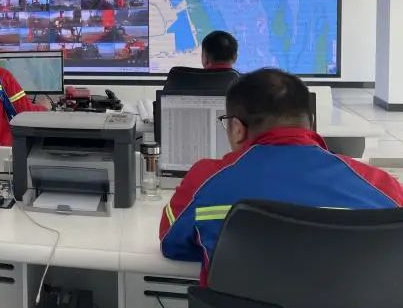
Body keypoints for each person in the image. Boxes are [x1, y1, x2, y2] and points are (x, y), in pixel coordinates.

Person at [160, 68, 403, 283]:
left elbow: (172, 243)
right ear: (310, 123)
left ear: (237, 129)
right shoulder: (381, 186)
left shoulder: (207, 179)